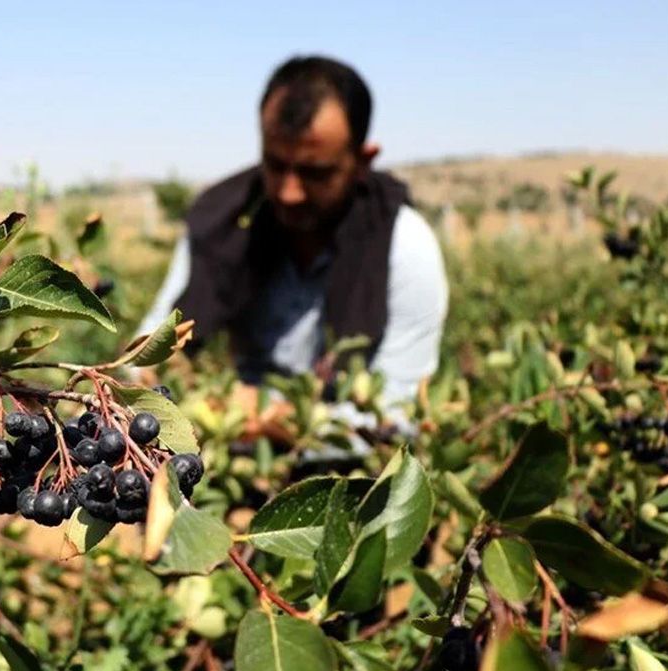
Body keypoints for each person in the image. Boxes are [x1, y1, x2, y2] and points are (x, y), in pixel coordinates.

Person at [139, 55, 448, 444]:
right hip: (224, 451)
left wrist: (283, 424)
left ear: (362, 162)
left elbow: (398, 415)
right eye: (275, 164)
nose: (289, 192)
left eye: (315, 173)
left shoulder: (404, 247)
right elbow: (146, 356)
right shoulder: (222, 221)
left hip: (345, 469)